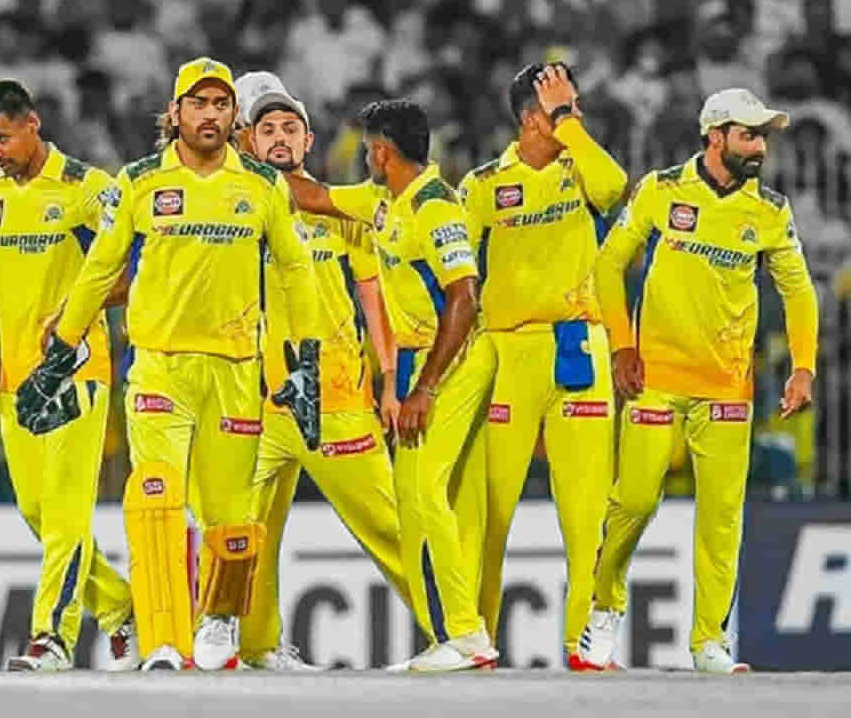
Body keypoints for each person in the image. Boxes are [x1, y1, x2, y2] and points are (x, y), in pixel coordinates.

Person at [17, 57, 322, 671]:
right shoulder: (139, 181)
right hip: (159, 366)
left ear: (233, 116)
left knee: (232, 521)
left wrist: (306, 362)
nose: (210, 115)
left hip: (235, 370)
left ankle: (219, 618)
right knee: (155, 499)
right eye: (198, 104)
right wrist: (60, 352)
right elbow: (100, 268)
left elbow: (296, 270)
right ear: (175, 112)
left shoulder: (263, 185)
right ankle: (161, 637)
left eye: (220, 105)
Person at [578, 88, 818, 674]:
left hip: (728, 386)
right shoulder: (662, 190)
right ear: (715, 136)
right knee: (634, 501)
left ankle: (709, 640)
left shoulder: (770, 210)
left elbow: (798, 289)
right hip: (655, 377)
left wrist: (804, 365)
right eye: (748, 136)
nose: (759, 148)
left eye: (763, 137)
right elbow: (608, 264)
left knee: (722, 515)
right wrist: (622, 345)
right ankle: (604, 610)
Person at [285, 99, 498, 672]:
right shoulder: (381, 202)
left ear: (381, 152)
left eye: (366, 150)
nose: (363, 159)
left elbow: (464, 300)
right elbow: (312, 196)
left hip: (455, 363)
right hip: (419, 364)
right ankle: (452, 634)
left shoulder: (436, 208)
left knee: (424, 492)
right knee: (411, 499)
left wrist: (424, 388)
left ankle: (466, 635)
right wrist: (245, 159)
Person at [233, 72, 410, 671]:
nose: (280, 139)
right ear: (246, 140)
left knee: (391, 525)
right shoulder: (238, 211)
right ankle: (253, 647)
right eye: (267, 130)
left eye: (290, 128)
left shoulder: (340, 209)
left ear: (308, 140)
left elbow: (374, 300)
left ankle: (455, 632)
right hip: (258, 399)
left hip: (336, 397)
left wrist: (390, 380)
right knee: (243, 531)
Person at [457, 63, 627, 670]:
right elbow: (455, 275)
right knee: (491, 511)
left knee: (586, 512)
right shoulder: (483, 184)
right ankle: (474, 639)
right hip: (507, 354)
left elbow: (615, 187)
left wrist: (571, 129)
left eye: (573, 106)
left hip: (579, 346)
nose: (575, 116)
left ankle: (584, 643)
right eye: (562, 108)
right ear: (531, 118)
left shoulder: (582, 168)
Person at [0, 79, 138, 672]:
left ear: (32, 124)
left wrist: (74, 312)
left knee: (65, 515)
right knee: (36, 512)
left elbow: (129, 272)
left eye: (3, 138)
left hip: (75, 372)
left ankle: (51, 637)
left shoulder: (87, 188)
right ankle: (120, 606)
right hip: (15, 377)